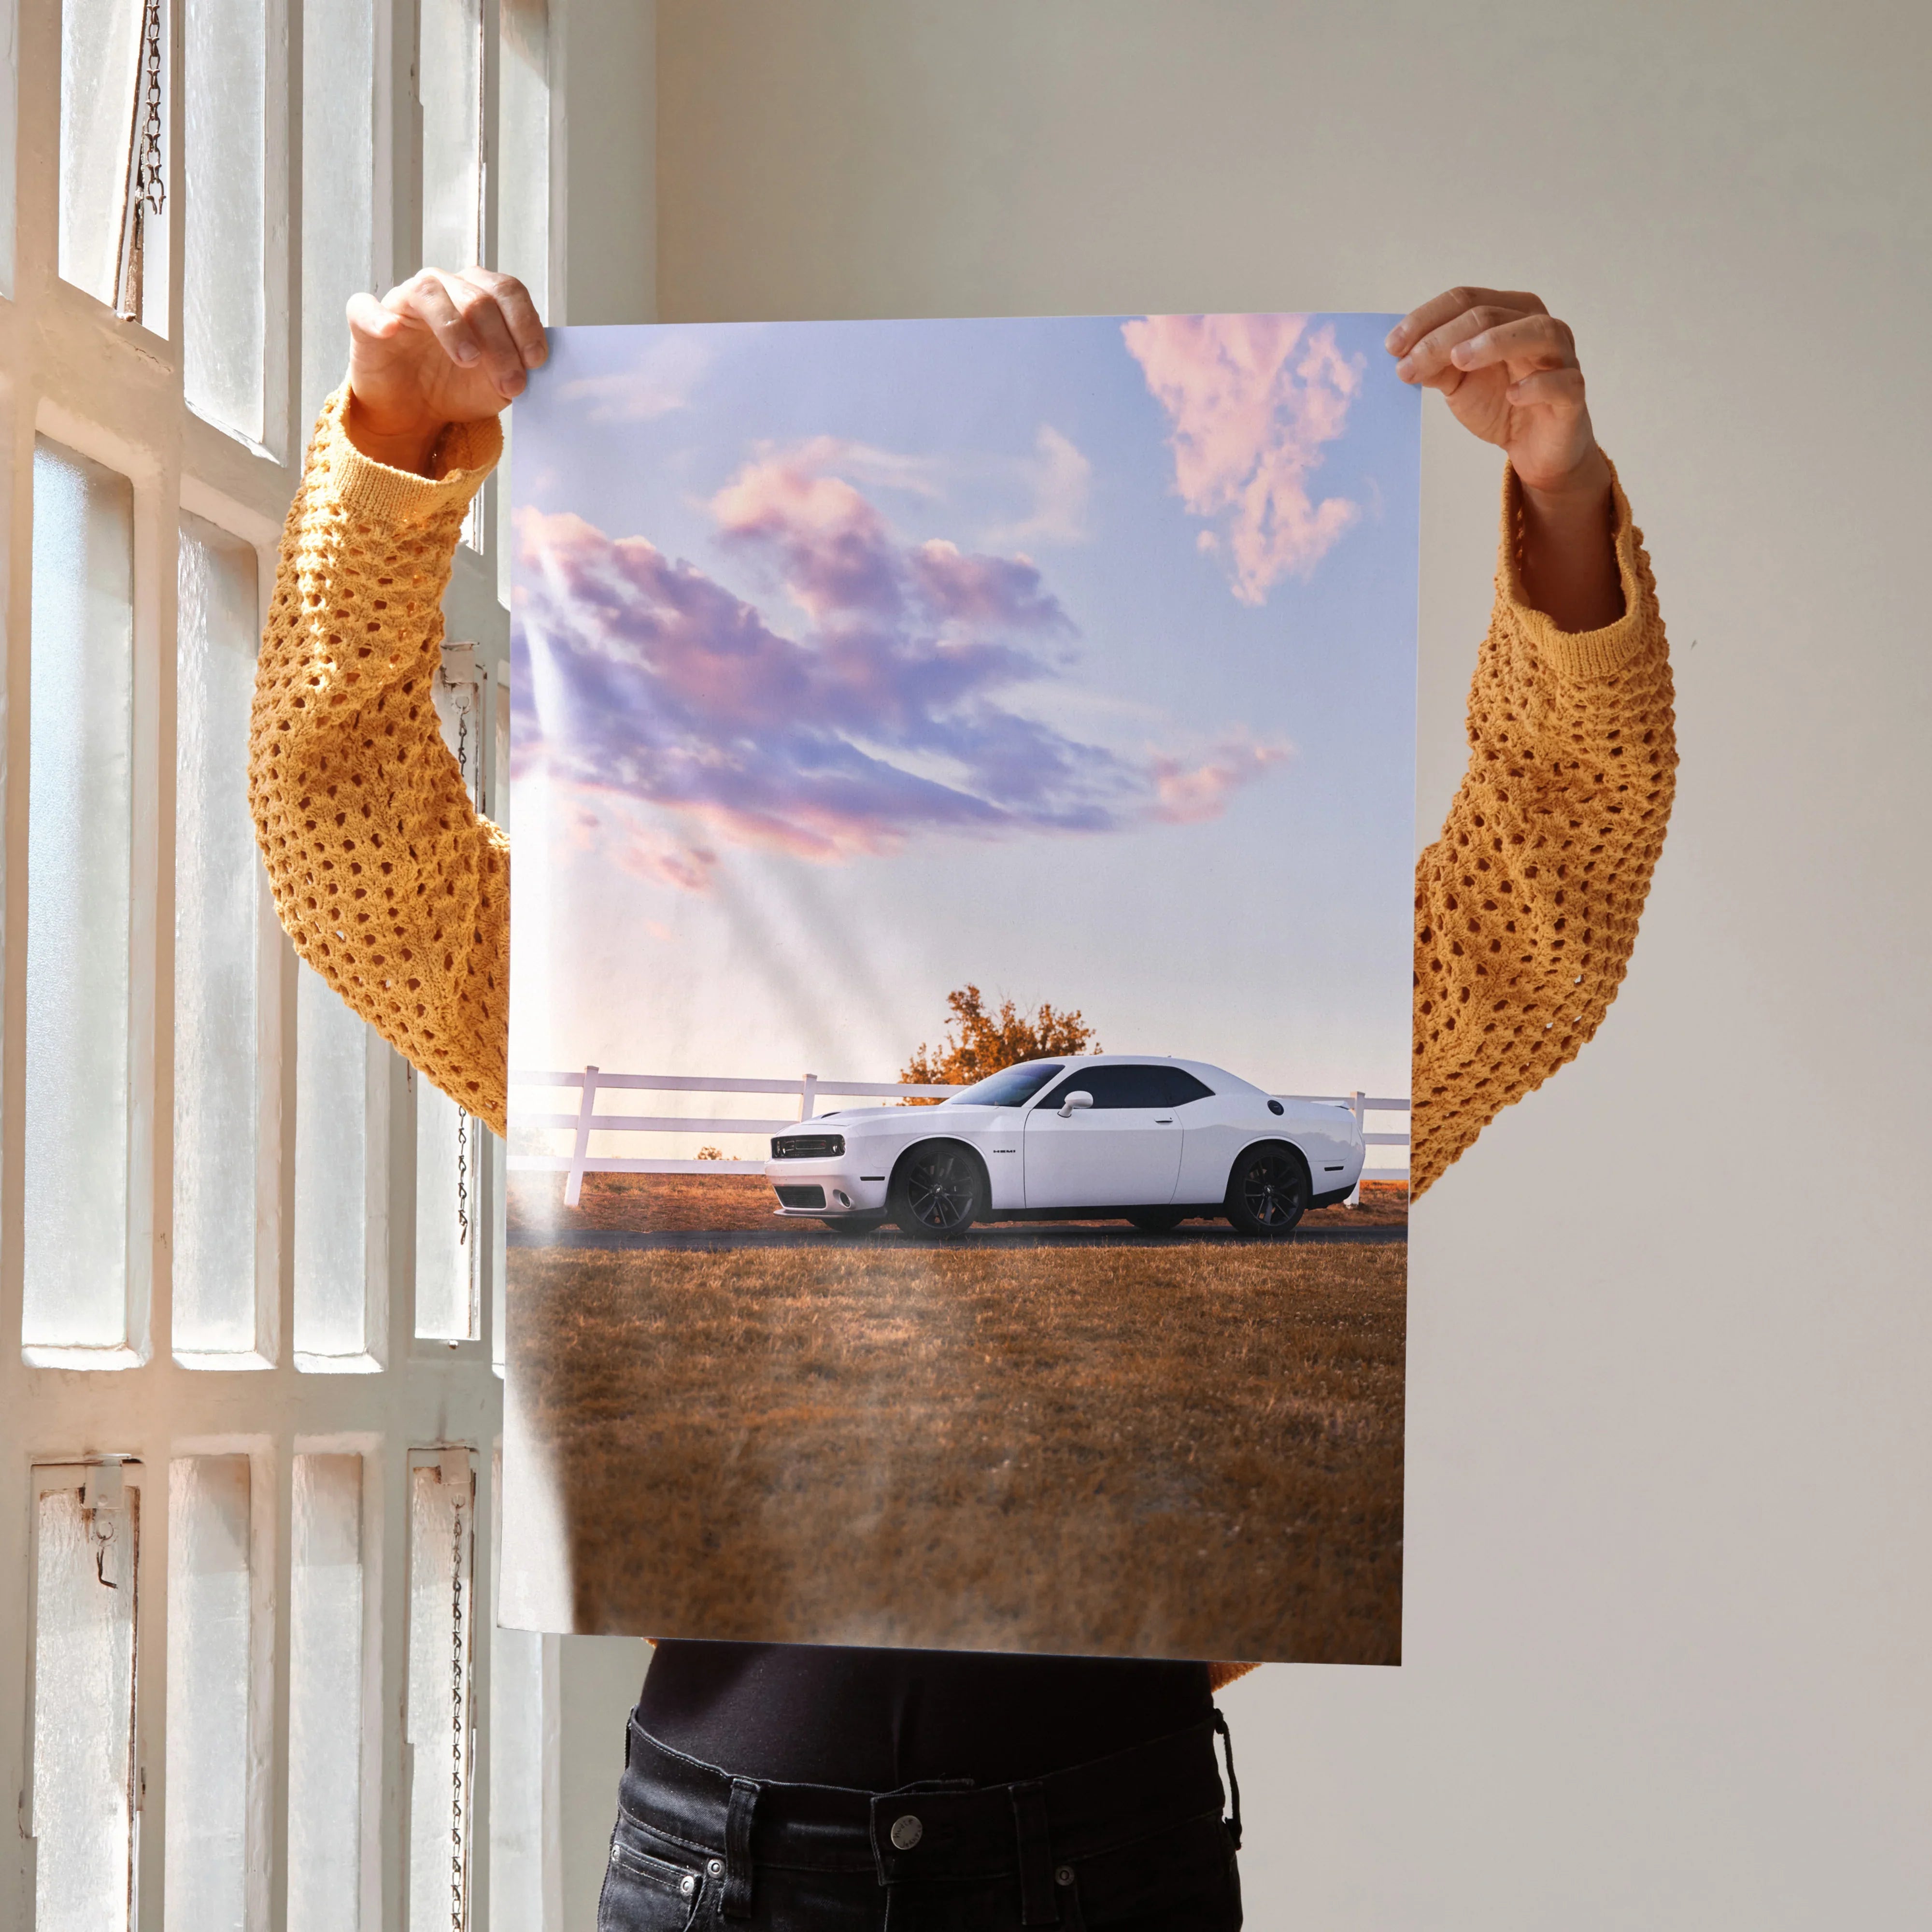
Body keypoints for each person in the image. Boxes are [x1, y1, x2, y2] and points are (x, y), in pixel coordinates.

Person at [250, 270, 1674, 1930]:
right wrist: (392, 447)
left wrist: (1561, 499)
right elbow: (346, 841)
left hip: (1104, 1851)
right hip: (726, 1866)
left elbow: (1545, 906)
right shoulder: (638, 969)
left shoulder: (1257, 1043)